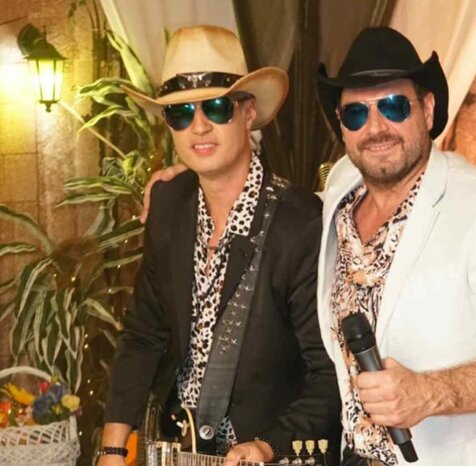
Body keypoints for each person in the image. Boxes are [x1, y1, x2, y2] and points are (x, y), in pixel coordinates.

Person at [313, 27, 476, 465]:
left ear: (428, 108)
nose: (375, 128)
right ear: (342, 126)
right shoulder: (343, 187)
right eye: (356, 113)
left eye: (394, 106)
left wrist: (432, 392)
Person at [98, 25, 341, 466]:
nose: (199, 126)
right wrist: (112, 450)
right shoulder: (168, 205)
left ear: (248, 112)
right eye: (180, 113)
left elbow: (329, 374)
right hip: (176, 448)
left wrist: (267, 445)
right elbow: (143, 333)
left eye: (215, 107)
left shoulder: (300, 223)